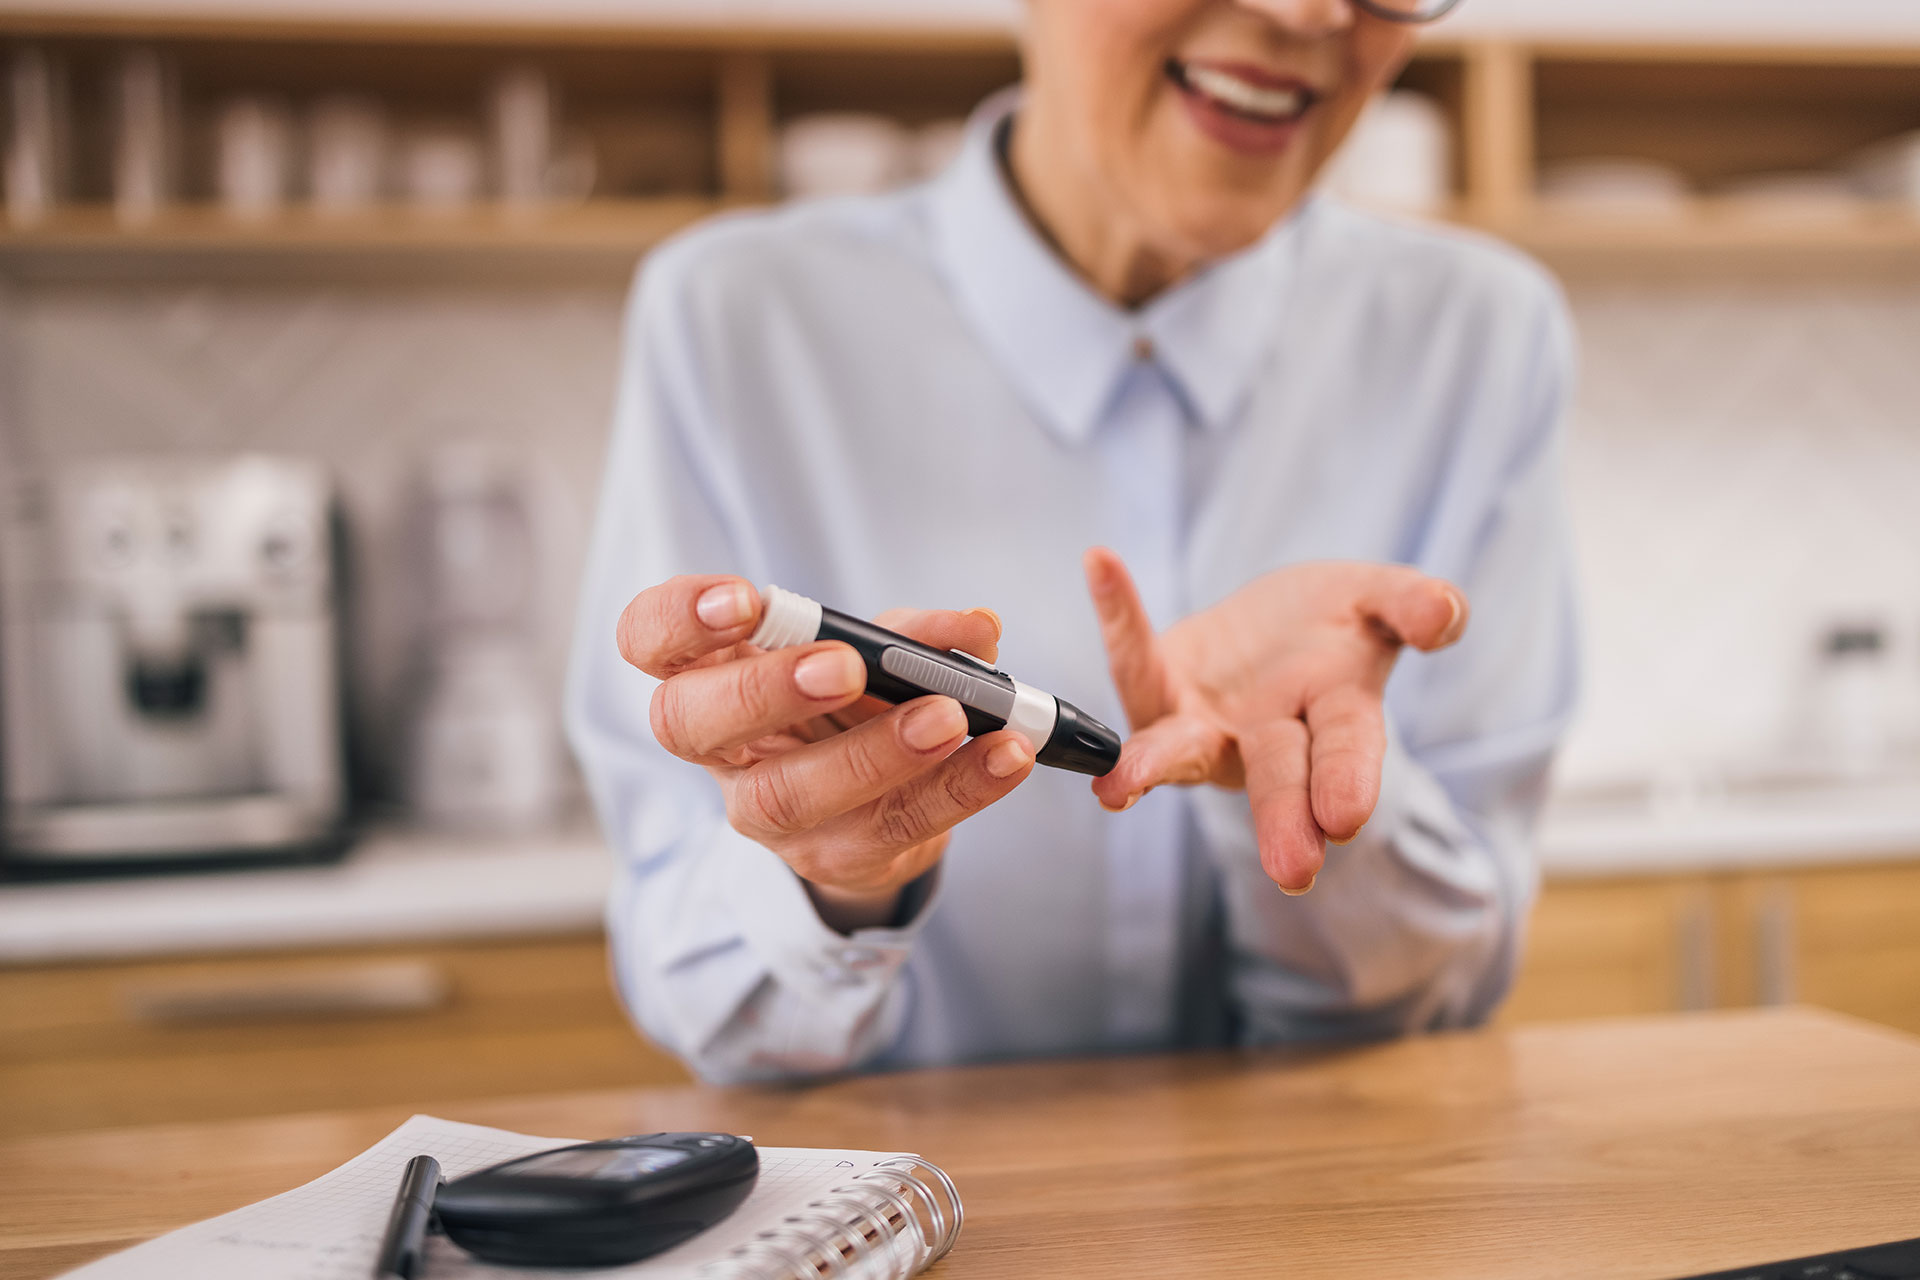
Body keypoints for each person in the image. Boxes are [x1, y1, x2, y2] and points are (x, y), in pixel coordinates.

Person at [565, 0, 1578, 1083]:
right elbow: (702, 995)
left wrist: (1319, 810)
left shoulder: (1484, 335)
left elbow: (1452, 985)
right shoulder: (731, 319)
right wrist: (836, 878)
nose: (1310, 10)